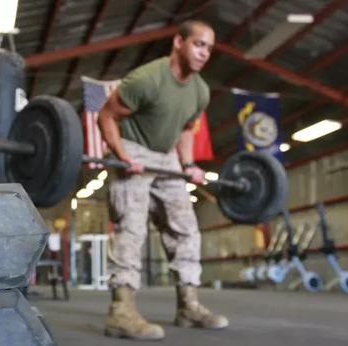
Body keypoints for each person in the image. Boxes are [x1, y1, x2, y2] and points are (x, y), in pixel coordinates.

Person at [97, 19, 228, 340]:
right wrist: (122, 156)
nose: (204, 53)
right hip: (131, 146)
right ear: (178, 42)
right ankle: (121, 312)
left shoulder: (200, 91)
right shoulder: (146, 79)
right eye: (199, 44)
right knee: (132, 226)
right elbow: (106, 115)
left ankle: (188, 306)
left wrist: (188, 164)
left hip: (166, 155)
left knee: (185, 227)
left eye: (209, 48)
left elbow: (186, 129)